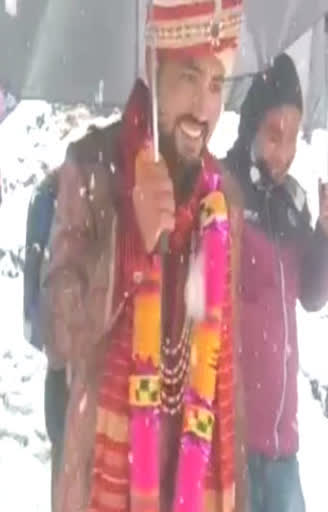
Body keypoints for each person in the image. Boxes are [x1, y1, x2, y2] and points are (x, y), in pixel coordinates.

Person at [41, 2, 250, 511]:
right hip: (104, 480)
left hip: (195, 482)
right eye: (189, 77)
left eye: (217, 84)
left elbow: (228, 365)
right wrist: (130, 240)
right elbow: (57, 331)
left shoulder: (225, 198)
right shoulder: (92, 167)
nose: (204, 108)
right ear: (153, 68)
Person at [224, 53, 328, 511]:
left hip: (282, 441)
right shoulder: (221, 189)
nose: (284, 151)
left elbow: (312, 295)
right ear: (251, 126)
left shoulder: (292, 202)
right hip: (232, 435)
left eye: (292, 138)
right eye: (274, 136)